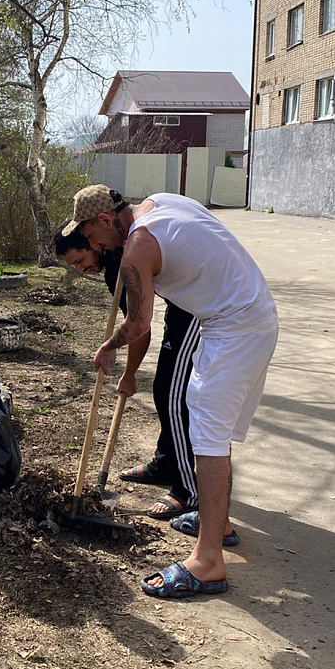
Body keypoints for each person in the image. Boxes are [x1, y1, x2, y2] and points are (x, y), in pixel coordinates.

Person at [61, 184, 278, 598]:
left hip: (234, 328)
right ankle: (220, 523)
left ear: (105, 221)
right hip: (252, 313)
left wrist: (109, 347)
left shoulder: (137, 247)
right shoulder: (160, 203)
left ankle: (208, 562)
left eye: (90, 237)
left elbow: (139, 324)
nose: (93, 245)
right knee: (212, 431)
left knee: (208, 437)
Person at [53, 222, 202, 520]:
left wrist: (129, 375)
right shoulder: (111, 263)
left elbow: (138, 329)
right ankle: (166, 463)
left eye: (81, 261)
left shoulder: (120, 262)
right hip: (180, 301)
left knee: (170, 393)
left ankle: (187, 490)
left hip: (198, 303)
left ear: (93, 243)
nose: (82, 271)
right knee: (164, 387)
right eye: (75, 267)